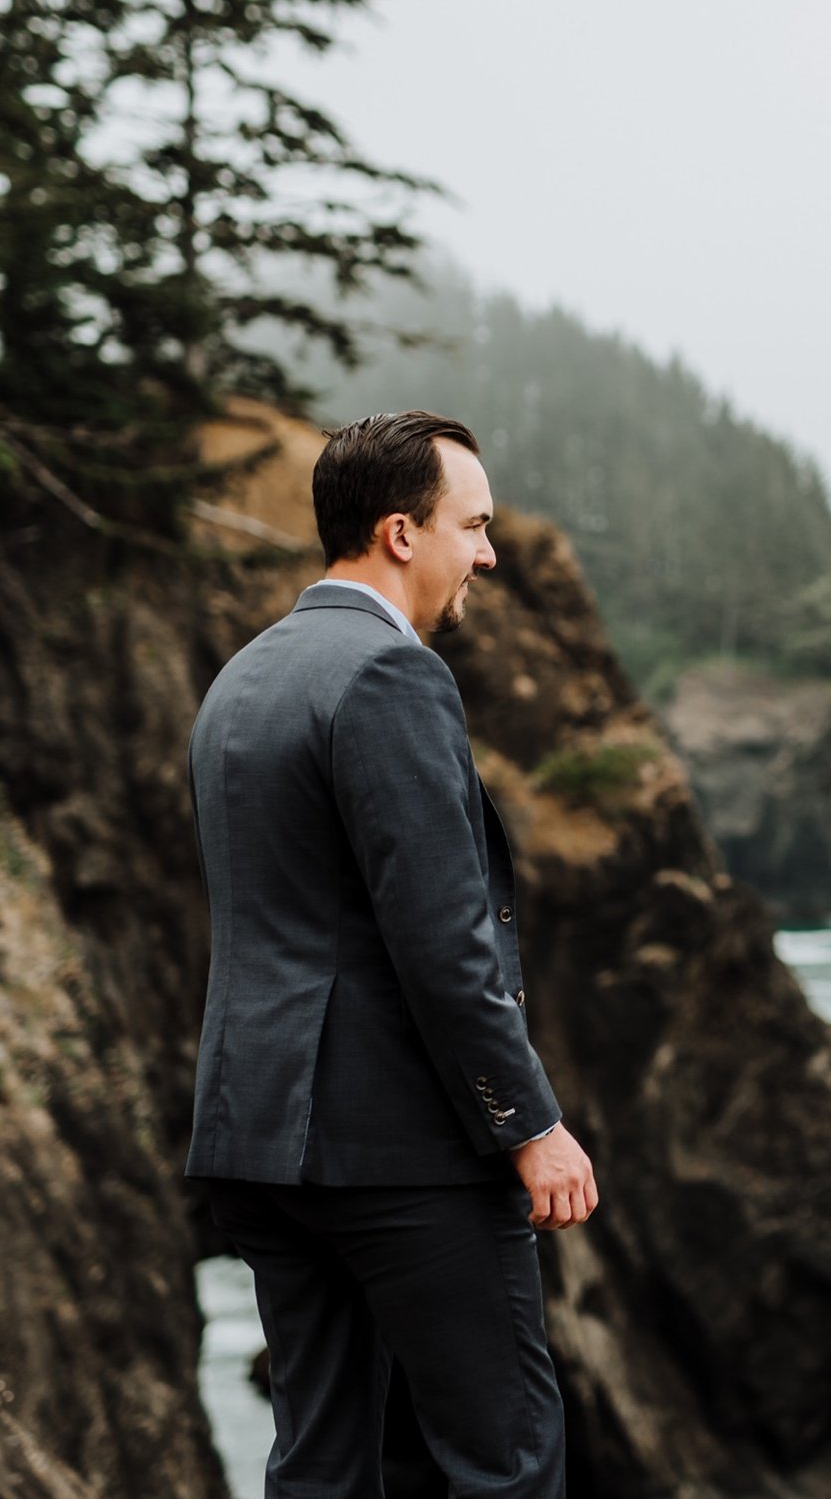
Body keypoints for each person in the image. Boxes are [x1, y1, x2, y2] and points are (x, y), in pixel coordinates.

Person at [186, 410, 597, 1498]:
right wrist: (530, 1124)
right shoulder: (389, 675)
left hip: (259, 1139)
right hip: (398, 1148)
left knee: (318, 1463)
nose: (490, 553)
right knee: (504, 1457)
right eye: (475, 524)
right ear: (401, 531)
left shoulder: (243, 680)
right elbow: (442, 941)